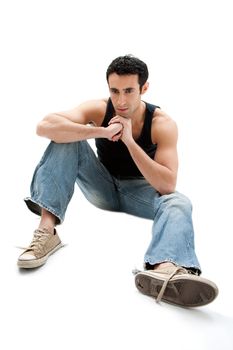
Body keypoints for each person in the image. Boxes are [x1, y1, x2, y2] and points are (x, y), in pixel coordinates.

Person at [18, 55, 218, 307]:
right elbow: (45, 126)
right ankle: (46, 233)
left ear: (144, 88)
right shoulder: (99, 109)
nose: (121, 100)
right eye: (114, 91)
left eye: (128, 91)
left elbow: (166, 185)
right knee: (66, 138)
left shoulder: (162, 124)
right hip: (101, 186)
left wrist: (129, 140)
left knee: (178, 201)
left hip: (139, 192)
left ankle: (164, 268)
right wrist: (100, 131)